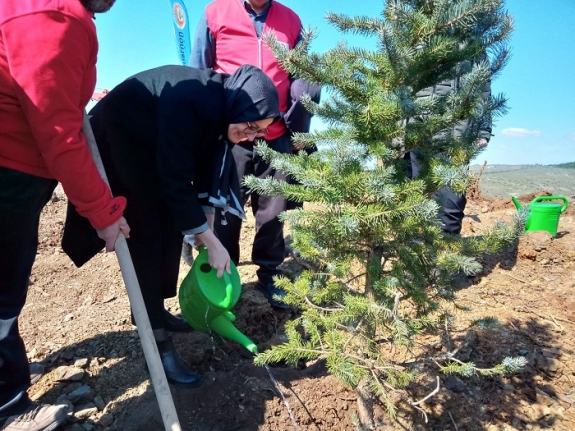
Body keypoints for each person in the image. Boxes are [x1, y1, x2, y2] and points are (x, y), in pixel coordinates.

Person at [64, 64, 280, 387]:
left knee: (170, 223)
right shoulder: (196, 100)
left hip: (149, 148)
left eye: (259, 131)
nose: (250, 136)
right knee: (145, 229)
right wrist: (211, 240)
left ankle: (155, 309)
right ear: (239, 105)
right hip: (120, 135)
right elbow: (174, 179)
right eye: (250, 125)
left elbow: (209, 165)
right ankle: (157, 342)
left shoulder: (222, 111)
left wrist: (204, 224)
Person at [0, 1, 129, 430]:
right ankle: (7, 406)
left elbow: (41, 87)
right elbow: (58, 132)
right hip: (8, 171)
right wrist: (102, 212)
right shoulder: (54, 15)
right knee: (1, 292)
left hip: (16, 167)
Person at [190, 0, 320, 308]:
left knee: (274, 210)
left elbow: (303, 77)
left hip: (276, 135)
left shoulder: (290, 20)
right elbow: (197, 71)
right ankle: (223, 275)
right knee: (224, 210)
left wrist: (298, 125)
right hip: (231, 135)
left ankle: (270, 272)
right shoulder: (215, 13)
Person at [405, 64, 492, 235]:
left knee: (452, 205)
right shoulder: (420, 39)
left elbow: (483, 87)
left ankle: (445, 256)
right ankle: (415, 256)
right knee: (415, 201)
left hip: (457, 135)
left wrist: (483, 129)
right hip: (416, 133)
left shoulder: (470, 40)